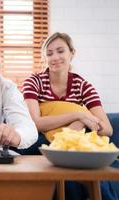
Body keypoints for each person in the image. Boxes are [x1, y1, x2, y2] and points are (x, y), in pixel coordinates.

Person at [21, 32, 116, 200]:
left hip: (72, 143)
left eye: (60, 51)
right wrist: (77, 115)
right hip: (41, 142)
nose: (55, 57)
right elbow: (35, 123)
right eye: (49, 53)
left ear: (72, 53)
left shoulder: (83, 86)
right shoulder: (34, 81)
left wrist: (82, 124)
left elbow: (107, 129)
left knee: (94, 174)